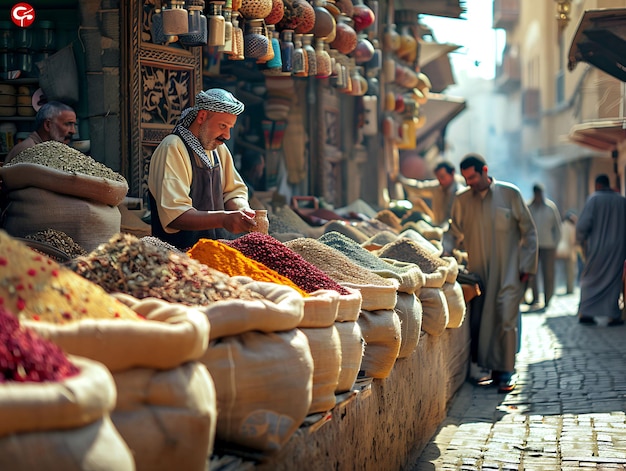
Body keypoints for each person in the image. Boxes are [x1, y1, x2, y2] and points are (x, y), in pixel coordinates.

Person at [447, 153, 538, 393]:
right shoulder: (462, 200)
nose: (469, 183)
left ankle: (506, 373)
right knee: (482, 323)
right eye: (465, 178)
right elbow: (452, 232)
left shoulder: (510, 194)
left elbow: (529, 232)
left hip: (510, 273)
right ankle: (488, 370)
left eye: (473, 177)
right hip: (479, 276)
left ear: (485, 170)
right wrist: (442, 256)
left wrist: (526, 266)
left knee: (506, 320)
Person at [148, 88, 258, 251]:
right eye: (222, 126)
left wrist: (243, 210)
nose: (227, 135)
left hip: (217, 254)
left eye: (230, 128)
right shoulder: (173, 147)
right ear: (202, 117)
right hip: (180, 256)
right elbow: (176, 216)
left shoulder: (219, 149)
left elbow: (233, 191)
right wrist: (223, 219)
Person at [576, 174, 626, 326]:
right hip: (618, 247)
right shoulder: (621, 200)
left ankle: (586, 312)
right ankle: (613, 315)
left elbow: (582, 226)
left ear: (597, 185)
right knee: (613, 280)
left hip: (597, 247)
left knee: (590, 278)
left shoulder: (594, 199)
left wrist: (580, 241)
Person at [4, 101, 77, 164]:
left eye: (74, 125)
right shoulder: (29, 151)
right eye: (68, 124)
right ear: (48, 125)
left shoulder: (48, 150)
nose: (73, 131)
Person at [526, 183, 562, 310]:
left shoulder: (550, 208)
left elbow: (557, 228)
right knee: (532, 273)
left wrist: (556, 244)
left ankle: (548, 298)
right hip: (533, 246)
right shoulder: (528, 208)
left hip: (548, 245)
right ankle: (535, 298)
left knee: (548, 273)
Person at [399, 160, 465, 227]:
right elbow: (419, 188)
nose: (440, 181)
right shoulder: (438, 187)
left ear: (452, 173)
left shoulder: (460, 194)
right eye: (438, 178)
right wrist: (400, 180)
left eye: (442, 177)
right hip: (437, 226)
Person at [556, 210, 579, 294]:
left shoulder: (562, 225)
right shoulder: (571, 227)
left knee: (564, 270)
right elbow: (573, 240)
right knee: (571, 270)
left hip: (561, 250)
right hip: (570, 250)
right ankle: (570, 288)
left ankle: (566, 286)